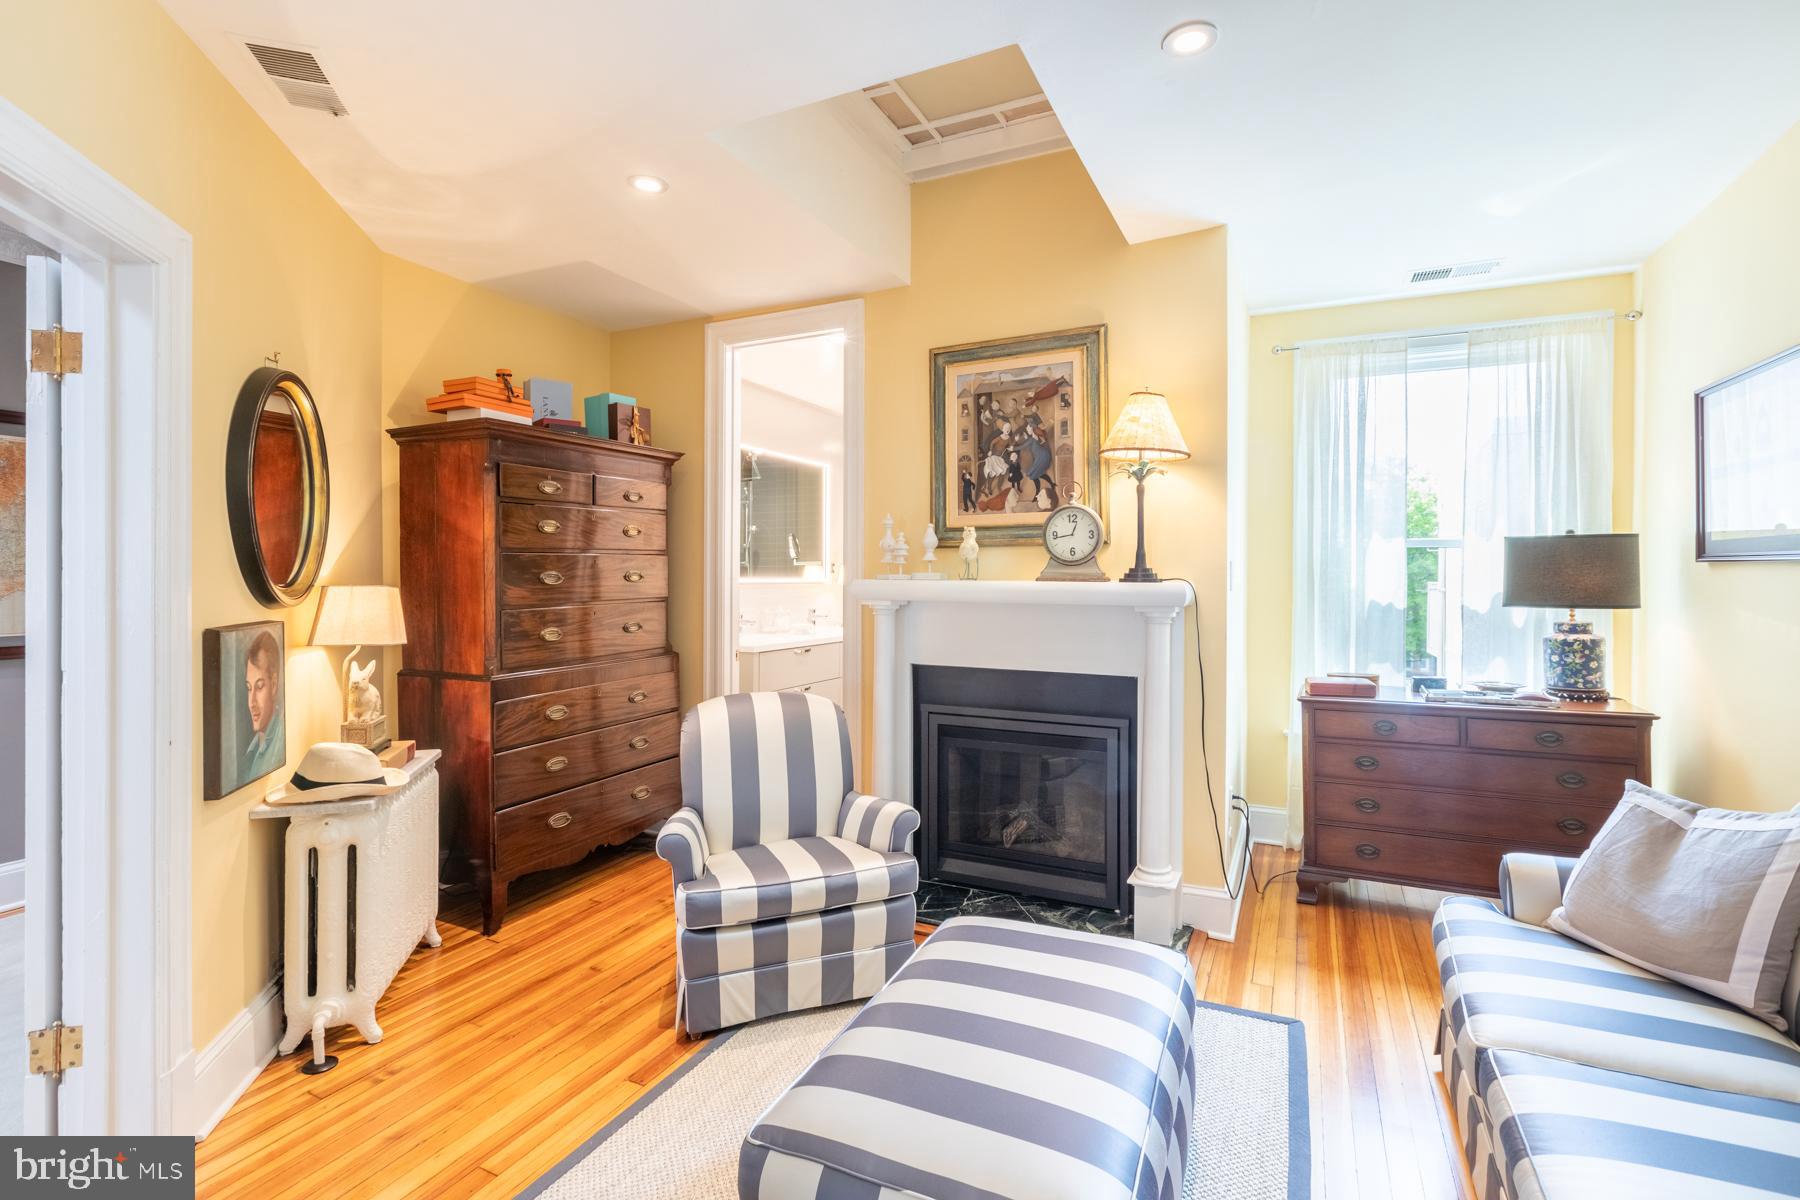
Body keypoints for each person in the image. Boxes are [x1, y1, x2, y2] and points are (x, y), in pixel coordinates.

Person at [241, 630, 285, 784]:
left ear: (274, 685)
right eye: (249, 688)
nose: (251, 703)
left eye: (259, 687)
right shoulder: (252, 750)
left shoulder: (280, 742)